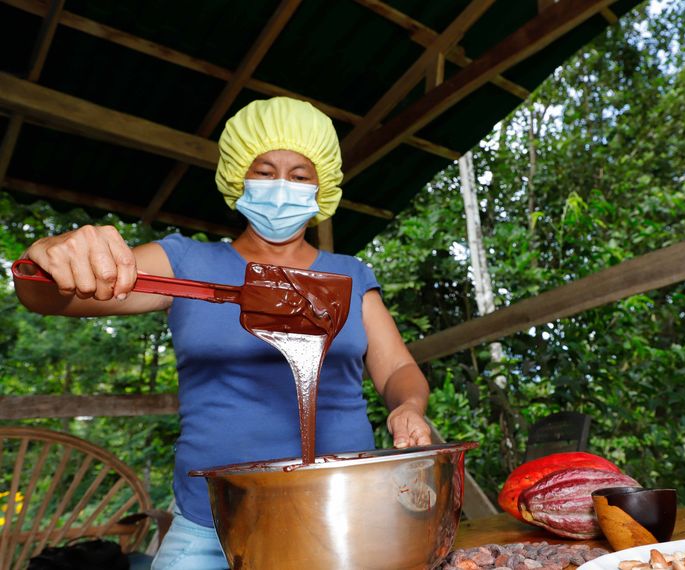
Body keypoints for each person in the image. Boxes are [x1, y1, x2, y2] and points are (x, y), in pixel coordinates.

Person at [14, 97, 433, 569]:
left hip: (343, 512)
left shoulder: (350, 275)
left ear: (322, 186)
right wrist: (52, 254)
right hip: (210, 525)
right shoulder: (186, 263)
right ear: (238, 176)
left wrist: (408, 407)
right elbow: (45, 294)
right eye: (264, 171)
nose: (281, 187)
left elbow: (397, 366)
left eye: (299, 176)